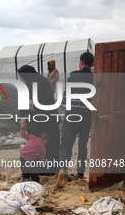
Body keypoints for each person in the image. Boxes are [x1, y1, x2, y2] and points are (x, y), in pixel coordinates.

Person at [57, 52, 94, 188]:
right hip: (87, 114)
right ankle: (80, 173)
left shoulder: (73, 75)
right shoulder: (95, 77)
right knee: (83, 143)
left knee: (66, 143)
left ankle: (62, 170)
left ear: (81, 62)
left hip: (72, 113)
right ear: (92, 64)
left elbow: (66, 96)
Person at [17, 65, 60, 172]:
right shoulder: (28, 85)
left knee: (48, 145)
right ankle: (38, 168)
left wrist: (35, 106)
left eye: (22, 77)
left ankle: (50, 170)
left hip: (48, 120)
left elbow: (49, 102)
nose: (21, 79)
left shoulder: (43, 83)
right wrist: (22, 117)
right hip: (35, 121)